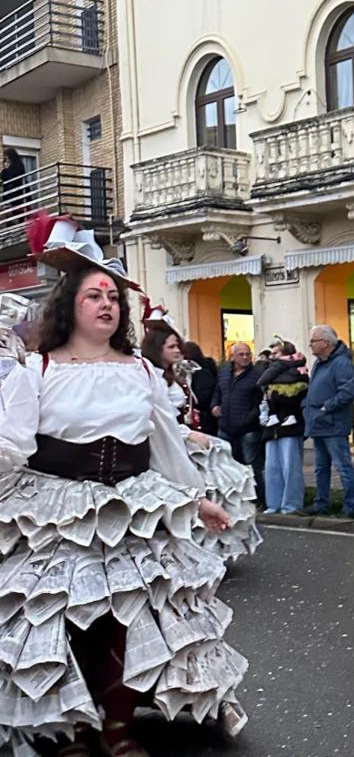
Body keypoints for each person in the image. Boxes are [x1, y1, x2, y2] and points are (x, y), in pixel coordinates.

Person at [0, 216, 246, 756]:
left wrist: (196, 499)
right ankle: (73, 730)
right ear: (71, 305)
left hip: (131, 507)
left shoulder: (139, 370)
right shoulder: (37, 370)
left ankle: (117, 728)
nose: (107, 305)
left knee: (129, 620)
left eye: (113, 296)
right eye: (94, 296)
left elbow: (164, 446)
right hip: (57, 509)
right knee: (65, 624)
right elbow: (11, 445)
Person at [141, 313, 261, 562]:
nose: (178, 351)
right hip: (166, 444)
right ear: (157, 348)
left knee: (216, 481)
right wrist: (186, 433)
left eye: (179, 346)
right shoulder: (149, 376)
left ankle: (208, 548)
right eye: (172, 346)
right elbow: (156, 420)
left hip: (182, 439)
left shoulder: (170, 374)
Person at [304, 325, 354, 517]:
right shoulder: (319, 363)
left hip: (333, 424)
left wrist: (326, 406)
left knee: (342, 466)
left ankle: (351, 507)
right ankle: (321, 504)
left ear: (325, 343)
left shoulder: (341, 363)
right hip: (319, 424)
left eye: (313, 341)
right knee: (320, 468)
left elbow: (348, 391)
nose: (310, 345)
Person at [258, 339, 308, 515]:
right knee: (272, 468)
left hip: (290, 428)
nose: (272, 357)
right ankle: (274, 503)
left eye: (276, 353)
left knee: (290, 468)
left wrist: (276, 395)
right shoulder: (269, 374)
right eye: (271, 354)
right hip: (272, 429)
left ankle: (291, 504)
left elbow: (295, 398)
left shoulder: (298, 373)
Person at [212, 341, 265, 507]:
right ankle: (234, 500)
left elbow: (260, 403)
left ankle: (259, 499)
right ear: (233, 356)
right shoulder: (224, 373)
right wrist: (214, 405)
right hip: (226, 427)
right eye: (241, 354)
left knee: (252, 465)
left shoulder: (257, 374)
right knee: (228, 466)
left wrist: (247, 419)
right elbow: (218, 391)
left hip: (248, 429)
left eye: (248, 354)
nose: (245, 357)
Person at [182, 340, 219, 436]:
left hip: (203, 420)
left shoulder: (201, 374)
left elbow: (203, 397)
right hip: (204, 420)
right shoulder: (197, 373)